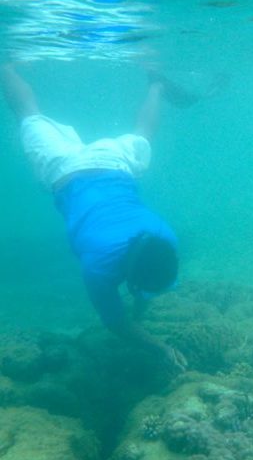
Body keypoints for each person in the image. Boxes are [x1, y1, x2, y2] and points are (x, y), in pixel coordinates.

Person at [0, 64, 201, 373]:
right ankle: (5, 66)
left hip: (115, 163)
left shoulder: (163, 239)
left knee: (140, 135)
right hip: (66, 169)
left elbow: (141, 282)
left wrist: (140, 313)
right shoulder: (98, 265)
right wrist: (159, 346)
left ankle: (156, 88)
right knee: (27, 113)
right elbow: (116, 324)